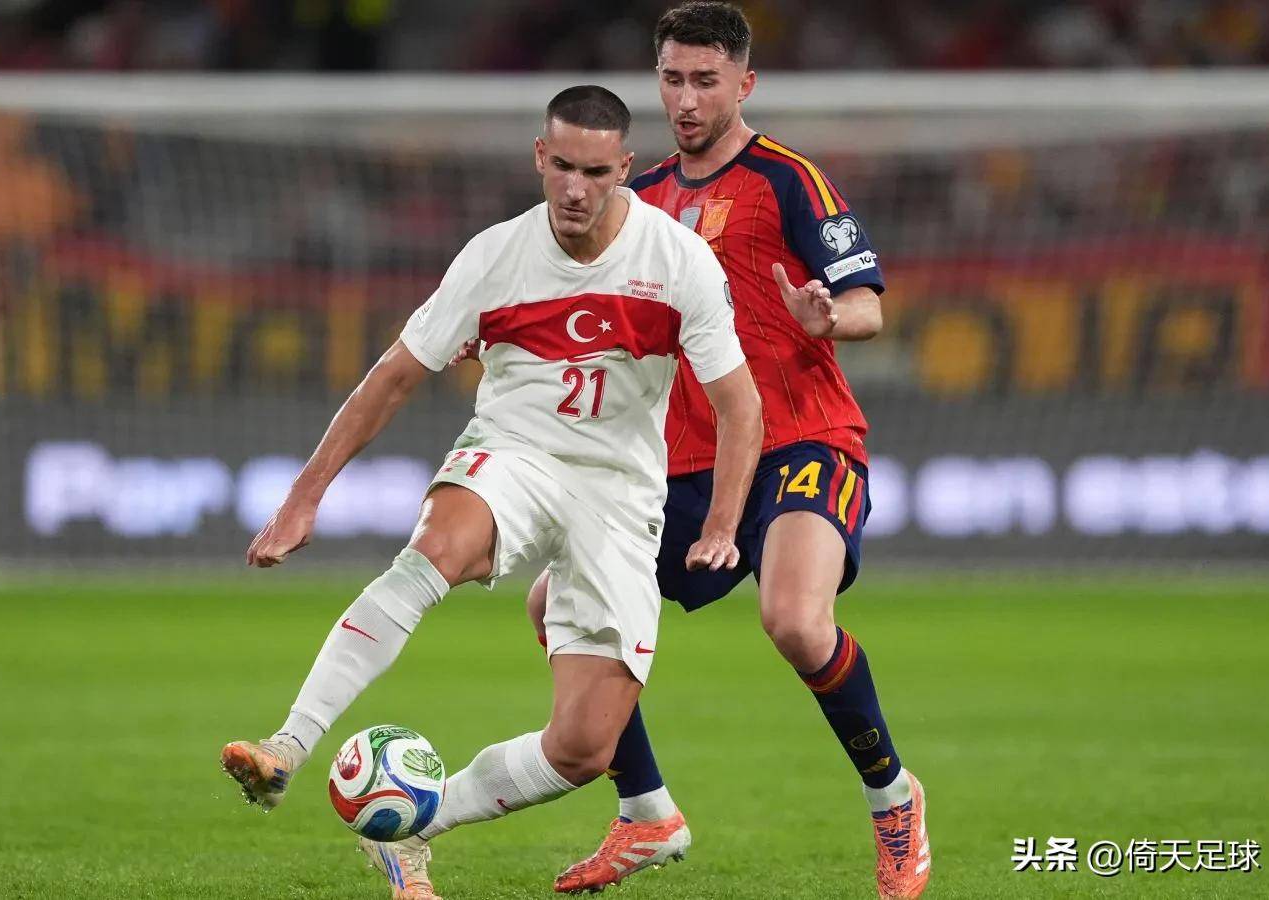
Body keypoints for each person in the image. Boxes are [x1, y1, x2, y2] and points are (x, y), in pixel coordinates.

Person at [220, 84, 762, 900]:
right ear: (540, 157)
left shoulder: (678, 260)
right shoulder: (494, 257)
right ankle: (288, 746)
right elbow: (392, 377)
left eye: (596, 172)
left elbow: (739, 407)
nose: (575, 189)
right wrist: (305, 496)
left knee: (584, 748)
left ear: (625, 169)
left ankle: (410, 830)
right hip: (515, 454)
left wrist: (720, 525)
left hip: (619, 493)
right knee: (434, 550)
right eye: (563, 167)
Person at [525, 5, 931, 899]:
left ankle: (893, 798)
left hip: (801, 438)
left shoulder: (789, 180)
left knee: (794, 621)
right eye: (673, 78)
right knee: (554, 603)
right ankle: (644, 814)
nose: (687, 98)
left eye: (706, 80)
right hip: (682, 463)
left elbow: (868, 303)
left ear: (744, 83)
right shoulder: (638, 200)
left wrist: (830, 318)